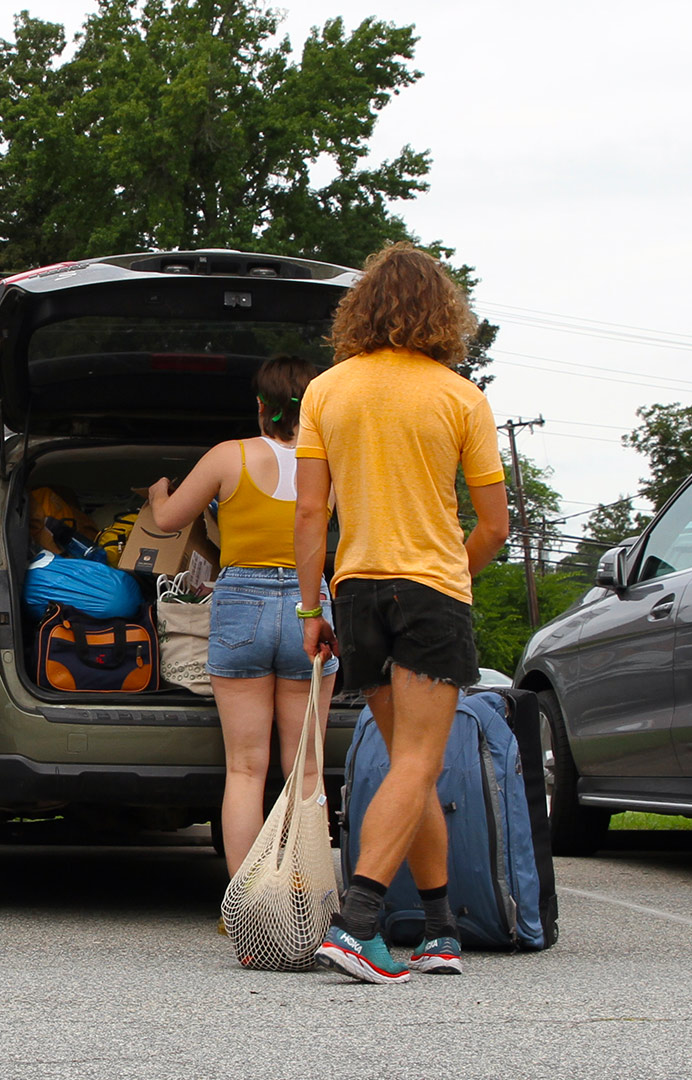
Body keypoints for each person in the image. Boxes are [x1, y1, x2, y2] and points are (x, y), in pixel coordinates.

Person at [293, 242, 510, 984]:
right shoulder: (460, 396)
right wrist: (455, 572)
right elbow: (493, 525)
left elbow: (312, 511)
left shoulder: (325, 391)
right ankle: (356, 924)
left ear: (361, 309)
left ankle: (442, 929)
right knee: (418, 760)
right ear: (442, 311)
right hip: (430, 594)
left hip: (353, 593)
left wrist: (307, 607)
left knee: (406, 768)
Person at [147, 356, 340, 883]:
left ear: (260, 407)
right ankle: (303, 900)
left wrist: (157, 492)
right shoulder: (331, 462)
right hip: (309, 608)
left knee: (246, 769)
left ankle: (247, 912)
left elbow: (166, 520)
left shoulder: (227, 457)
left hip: (241, 607)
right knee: (305, 771)